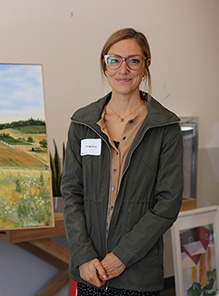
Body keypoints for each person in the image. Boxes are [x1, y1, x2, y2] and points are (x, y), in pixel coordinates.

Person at [60, 28, 184, 295]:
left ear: (146, 65)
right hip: (89, 270)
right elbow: (71, 193)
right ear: (104, 66)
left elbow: (168, 203)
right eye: (114, 60)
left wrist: (122, 256)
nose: (123, 69)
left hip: (137, 272)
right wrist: (83, 255)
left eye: (133, 60)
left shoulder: (165, 127)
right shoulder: (83, 123)